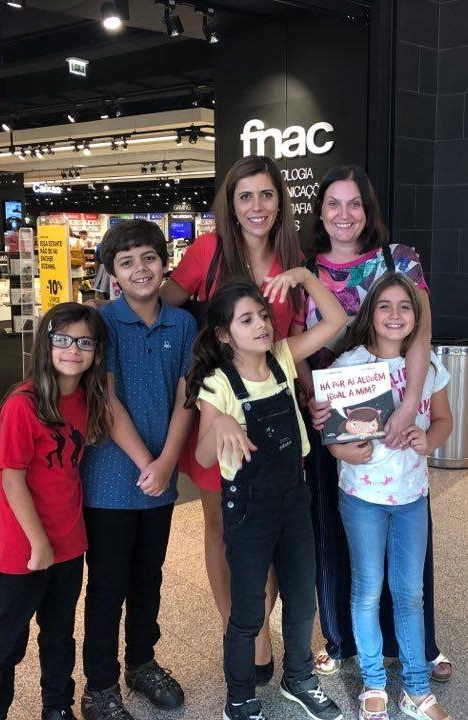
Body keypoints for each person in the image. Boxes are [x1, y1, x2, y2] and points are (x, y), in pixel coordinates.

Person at [299, 165, 451, 683]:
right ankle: (342, 642)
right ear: (320, 211)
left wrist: (409, 408)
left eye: (355, 203)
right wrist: (312, 399)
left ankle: (420, 649)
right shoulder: (306, 268)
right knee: (335, 533)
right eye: (334, 203)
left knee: (409, 550)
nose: (344, 214)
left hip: (401, 422)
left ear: (368, 210)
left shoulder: (399, 259)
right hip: (335, 420)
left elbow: (422, 333)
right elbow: (297, 345)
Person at [161, 155, 303, 680]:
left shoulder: (293, 259)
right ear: (231, 204)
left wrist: (311, 396)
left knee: (267, 526)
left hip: (272, 414)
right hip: (218, 407)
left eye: (266, 194)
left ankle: (257, 622)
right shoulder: (208, 251)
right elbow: (166, 308)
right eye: (245, 196)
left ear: (279, 201)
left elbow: (295, 342)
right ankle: (240, 631)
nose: (256, 206)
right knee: (221, 524)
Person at [186, 270, 346, 720]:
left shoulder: (282, 358)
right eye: (246, 320)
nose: (261, 325)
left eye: (262, 316)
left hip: (294, 496)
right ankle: (239, 698)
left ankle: (299, 677)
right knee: (247, 610)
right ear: (224, 335)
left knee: (302, 599)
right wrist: (220, 423)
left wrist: (305, 277)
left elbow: (335, 320)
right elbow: (201, 455)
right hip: (247, 508)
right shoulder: (217, 384)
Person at [80, 220, 196, 720]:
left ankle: (142, 662)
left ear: (164, 263)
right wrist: (148, 462)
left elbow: (187, 395)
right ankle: (99, 685)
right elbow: (104, 399)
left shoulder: (183, 324)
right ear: (113, 274)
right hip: (108, 480)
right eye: (126, 262)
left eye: (148, 257)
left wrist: (167, 461)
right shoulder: (100, 323)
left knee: (148, 577)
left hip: (160, 479)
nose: (140, 269)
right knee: (107, 584)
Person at [0, 302, 110, 720]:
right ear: (45, 344)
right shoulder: (23, 403)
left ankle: (58, 707)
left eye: (84, 342)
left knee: (59, 633)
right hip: (24, 548)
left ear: (96, 351)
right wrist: (39, 543)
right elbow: (12, 480)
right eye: (63, 339)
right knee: (8, 640)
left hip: (69, 541)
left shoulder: (87, 399)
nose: (73, 350)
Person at [328, 273, 453, 720]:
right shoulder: (350, 365)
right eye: (385, 306)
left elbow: (444, 420)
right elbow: (333, 436)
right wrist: (344, 450)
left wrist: (429, 440)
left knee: (410, 594)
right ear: (370, 313)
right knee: (366, 591)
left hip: (412, 497)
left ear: (416, 316)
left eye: (405, 307)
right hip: (361, 497)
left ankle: (416, 689)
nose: (395, 315)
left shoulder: (429, 366)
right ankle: (374, 683)